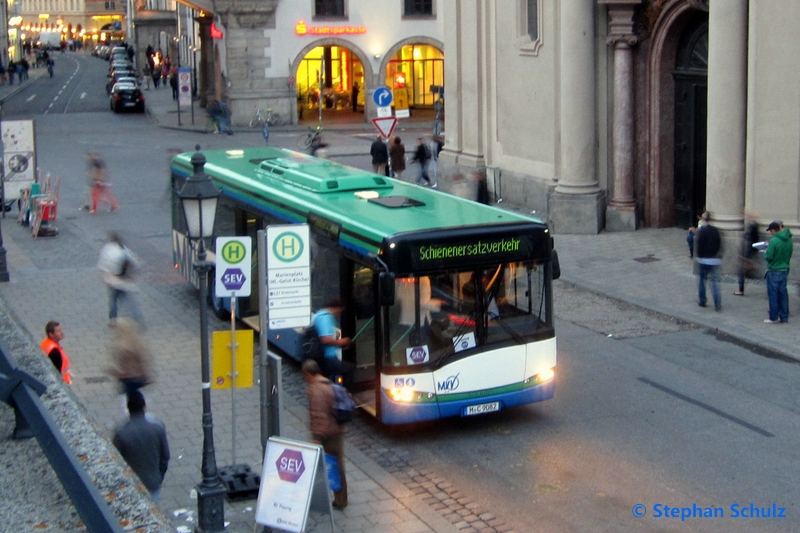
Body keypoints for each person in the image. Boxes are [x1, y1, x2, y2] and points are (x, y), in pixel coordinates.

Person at [301, 359, 347, 510]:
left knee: (331, 466)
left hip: (328, 434)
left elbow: (319, 416)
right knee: (337, 464)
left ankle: (337, 499)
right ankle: (340, 498)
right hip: (336, 429)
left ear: (307, 374)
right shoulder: (326, 382)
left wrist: (316, 438)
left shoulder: (316, 390)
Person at [112, 390, 170, 502]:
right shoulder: (158, 427)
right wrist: (158, 477)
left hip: (131, 485)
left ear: (128, 409)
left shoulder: (121, 433)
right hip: (152, 483)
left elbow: (116, 462)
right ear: (144, 406)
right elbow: (165, 457)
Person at [97, 232, 145, 327]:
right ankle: (138, 320)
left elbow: (102, 266)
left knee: (113, 301)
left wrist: (105, 277)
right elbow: (135, 262)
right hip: (125, 282)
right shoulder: (123, 249)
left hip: (112, 282)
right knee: (132, 302)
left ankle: (113, 320)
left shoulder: (106, 250)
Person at [311, 298, 353, 386]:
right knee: (348, 369)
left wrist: (340, 346)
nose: (339, 314)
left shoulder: (319, 315)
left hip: (322, 355)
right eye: (340, 311)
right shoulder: (325, 318)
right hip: (327, 357)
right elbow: (325, 339)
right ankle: (343, 395)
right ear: (335, 308)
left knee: (328, 379)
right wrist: (342, 342)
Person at [106, 318, 153, 395]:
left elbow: (123, 372)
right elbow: (143, 362)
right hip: (140, 380)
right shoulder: (138, 343)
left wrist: (111, 370)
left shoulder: (121, 347)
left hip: (128, 383)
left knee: (129, 404)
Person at [764, 220, 793, 324]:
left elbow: (768, 256)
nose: (770, 233)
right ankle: (784, 317)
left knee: (773, 294)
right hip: (784, 269)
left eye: (770, 231)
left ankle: (773, 317)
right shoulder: (789, 240)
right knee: (783, 294)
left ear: (773, 230)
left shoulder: (774, 241)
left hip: (774, 270)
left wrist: (766, 251)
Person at [694, 211, 722, 312]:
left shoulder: (702, 231)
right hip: (714, 260)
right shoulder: (715, 230)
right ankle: (717, 303)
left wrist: (699, 256)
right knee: (714, 282)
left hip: (704, 259)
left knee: (702, 280)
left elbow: (699, 246)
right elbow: (719, 244)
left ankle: (702, 300)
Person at [735, 211, 759, 295]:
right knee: (744, 266)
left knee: (741, 269)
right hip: (746, 248)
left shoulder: (754, 226)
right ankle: (750, 269)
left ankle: (741, 289)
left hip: (747, 248)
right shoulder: (751, 225)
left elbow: (755, 238)